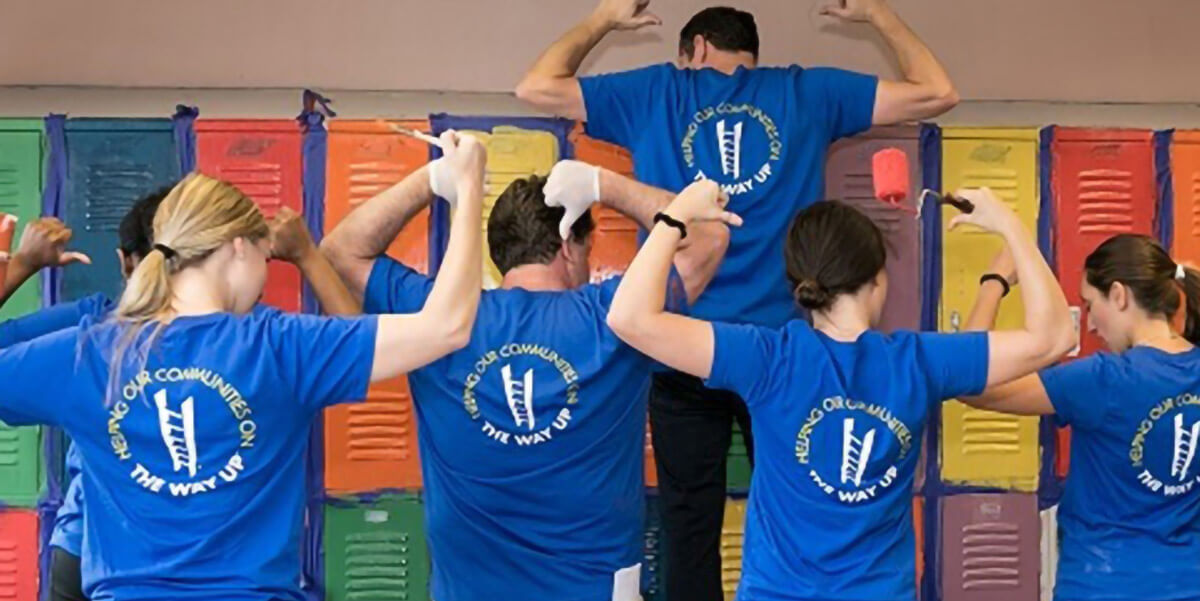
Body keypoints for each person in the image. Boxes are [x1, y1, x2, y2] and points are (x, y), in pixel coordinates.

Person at [515, 1, 959, 594]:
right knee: (801, 502)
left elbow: (536, 88)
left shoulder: (655, 92)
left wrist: (603, 19)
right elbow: (937, 91)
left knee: (688, 521)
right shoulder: (806, 93)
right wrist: (877, 15)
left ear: (695, 48)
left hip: (681, 345)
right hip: (779, 356)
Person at [0, 130, 485, 601]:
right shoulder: (280, 345)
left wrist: (13, 270)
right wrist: (465, 189)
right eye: (265, 254)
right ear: (238, 246)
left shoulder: (87, 351)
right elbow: (446, 327)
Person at [604, 185, 1075, 601]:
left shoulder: (767, 356)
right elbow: (1054, 337)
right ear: (878, 279)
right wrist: (1011, 229)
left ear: (799, 286)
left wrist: (677, 214)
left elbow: (629, 318)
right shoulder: (919, 360)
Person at [320, 158, 728, 601]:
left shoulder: (437, 321)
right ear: (570, 246)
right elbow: (709, 236)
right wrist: (602, 184)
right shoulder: (615, 319)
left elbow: (341, 250)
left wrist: (435, 177)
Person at [0, 189, 361, 601]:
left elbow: (355, 346)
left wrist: (22, 267)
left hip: (108, 560)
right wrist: (306, 256)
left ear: (125, 261)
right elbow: (359, 341)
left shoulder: (95, 329)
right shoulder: (251, 337)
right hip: (123, 558)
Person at [960, 234, 1200, 601]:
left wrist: (994, 283)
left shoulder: (1103, 378)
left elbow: (970, 381)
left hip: (1101, 584)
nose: (1088, 325)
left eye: (1090, 305)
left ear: (1119, 295)